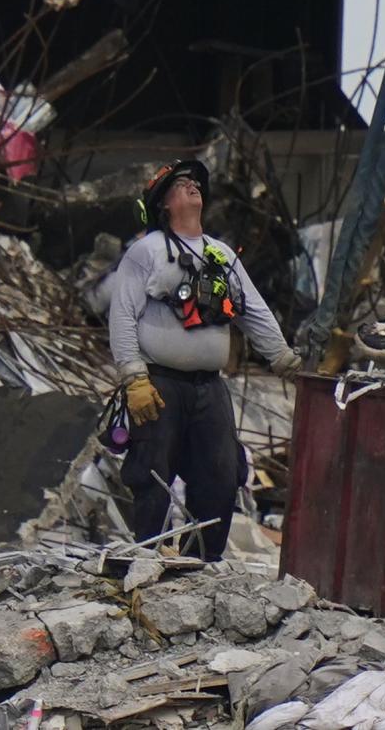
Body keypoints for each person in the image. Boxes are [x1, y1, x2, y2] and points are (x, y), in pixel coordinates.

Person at [109, 157, 300, 561]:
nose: (193, 186)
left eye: (195, 182)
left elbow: (254, 311)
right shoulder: (146, 252)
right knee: (152, 471)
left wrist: (284, 359)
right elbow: (122, 314)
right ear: (164, 204)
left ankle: (200, 562)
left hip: (209, 387)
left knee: (221, 473)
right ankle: (148, 558)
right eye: (181, 185)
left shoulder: (222, 255)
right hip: (158, 384)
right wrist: (133, 377)